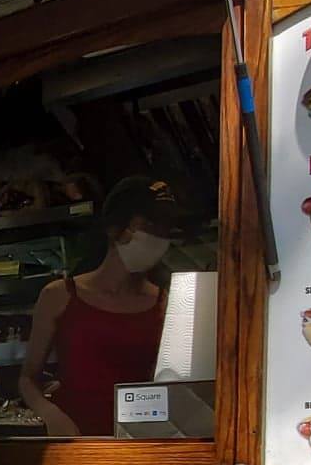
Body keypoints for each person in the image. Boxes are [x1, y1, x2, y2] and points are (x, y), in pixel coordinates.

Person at [19, 177, 187, 438]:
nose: (157, 237)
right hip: (74, 445)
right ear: (114, 229)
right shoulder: (60, 295)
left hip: (140, 447)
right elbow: (27, 378)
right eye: (148, 226)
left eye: (164, 230)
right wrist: (51, 414)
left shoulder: (166, 303)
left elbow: (176, 386)